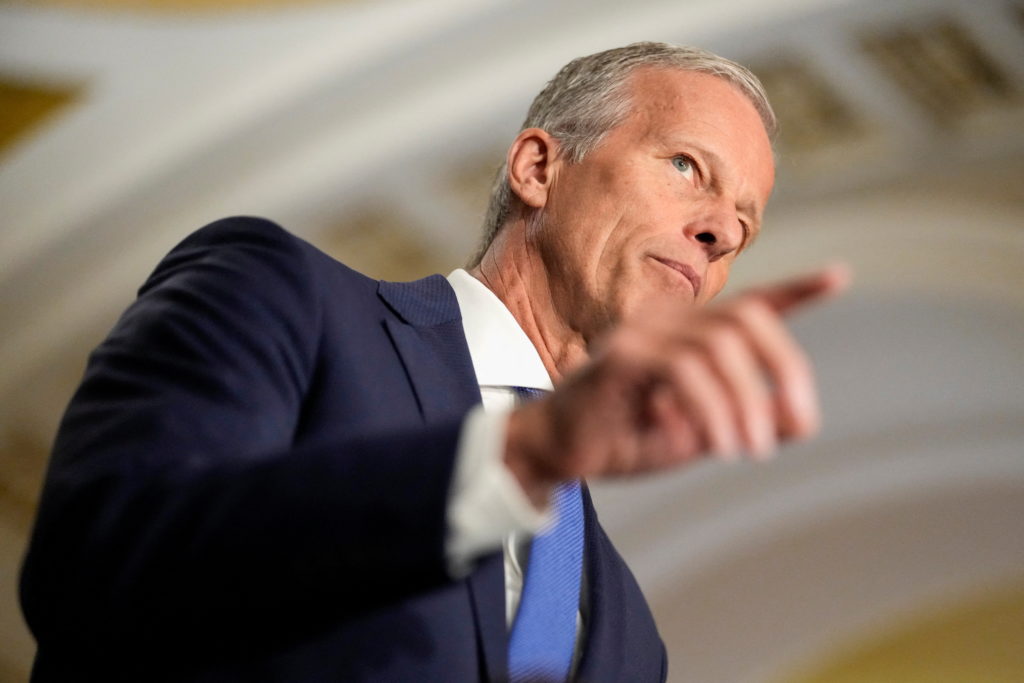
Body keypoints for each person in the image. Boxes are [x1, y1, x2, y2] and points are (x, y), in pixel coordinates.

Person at [20, 42, 847, 682]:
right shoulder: (283, 295)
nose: (722, 232)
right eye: (686, 167)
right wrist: (522, 453)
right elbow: (98, 562)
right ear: (538, 167)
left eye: (746, 223)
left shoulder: (630, 632)